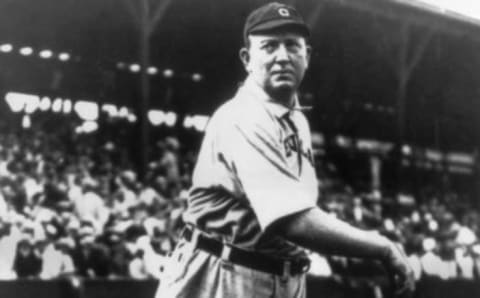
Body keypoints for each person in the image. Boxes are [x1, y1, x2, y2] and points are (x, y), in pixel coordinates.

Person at [155, 2, 415, 298]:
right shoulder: (244, 115)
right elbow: (293, 221)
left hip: (281, 272)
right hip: (222, 273)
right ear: (246, 58)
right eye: (268, 46)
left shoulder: (297, 119)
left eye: (292, 45)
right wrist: (381, 246)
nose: (282, 57)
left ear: (308, 55)